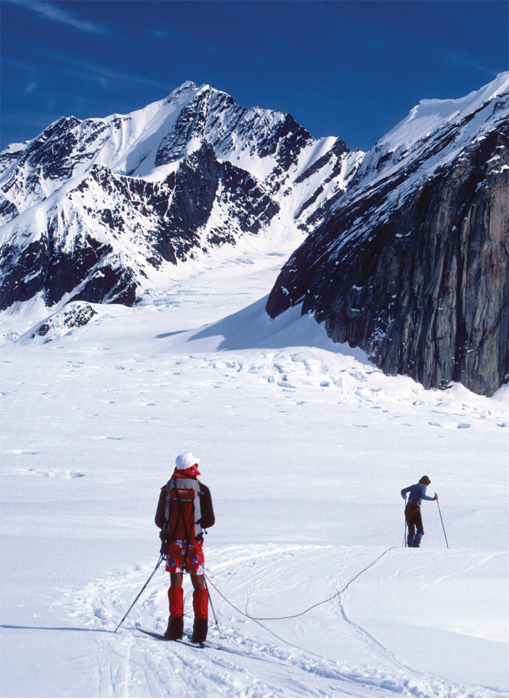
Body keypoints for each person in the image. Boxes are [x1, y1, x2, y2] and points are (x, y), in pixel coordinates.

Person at [155, 452, 215, 643]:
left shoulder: (168, 488)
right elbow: (210, 520)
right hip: (194, 546)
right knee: (199, 584)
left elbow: (158, 520)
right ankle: (200, 631)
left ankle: (175, 628)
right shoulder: (201, 489)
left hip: (174, 544)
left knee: (176, 584)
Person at [401, 475, 438, 547]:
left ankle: (410, 545)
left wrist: (404, 496)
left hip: (408, 508)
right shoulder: (423, 486)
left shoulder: (414, 486)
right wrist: (433, 499)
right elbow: (422, 495)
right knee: (420, 529)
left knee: (411, 529)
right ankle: (416, 542)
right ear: (426, 483)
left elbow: (403, 491)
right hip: (415, 508)